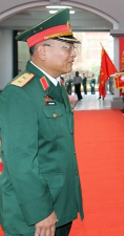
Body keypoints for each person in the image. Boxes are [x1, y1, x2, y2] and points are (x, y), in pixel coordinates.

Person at [0, 9, 83, 236]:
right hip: (35, 213)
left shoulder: (53, 86)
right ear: (42, 51)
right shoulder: (20, 92)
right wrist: (41, 211)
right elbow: (20, 161)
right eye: (67, 48)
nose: (73, 54)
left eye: (72, 48)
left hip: (59, 203)